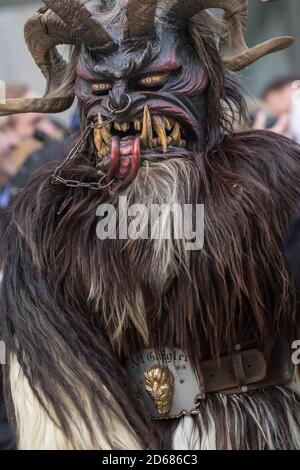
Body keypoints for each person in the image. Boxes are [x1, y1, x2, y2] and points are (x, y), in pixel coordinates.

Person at [0, 0, 300, 450]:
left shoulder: (271, 179)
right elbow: (47, 367)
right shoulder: (47, 213)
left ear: (205, 76)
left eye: (153, 81)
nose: (119, 104)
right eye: (99, 85)